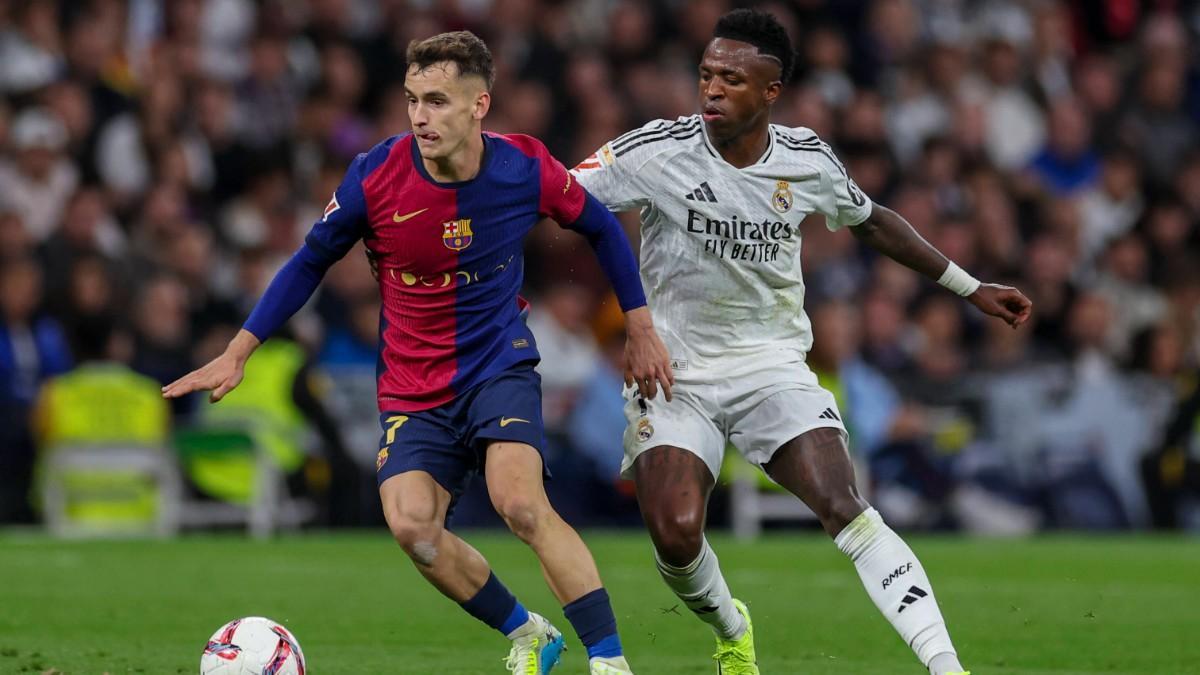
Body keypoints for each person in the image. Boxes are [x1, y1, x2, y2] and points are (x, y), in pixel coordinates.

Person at [164, 31, 672, 675]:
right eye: (411, 100)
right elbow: (309, 260)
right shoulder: (376, 175)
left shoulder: (524, 167)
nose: (420, 117)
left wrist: (640, 325)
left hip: (497, 362)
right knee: (413, 530)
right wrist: (239, 351)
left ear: (479, 105)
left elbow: (599, 226)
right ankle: (530, 633)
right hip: (411, 384)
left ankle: (608, 662)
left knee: (518, 503)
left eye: (436, 101)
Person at [572, 10, 1032, 675]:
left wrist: (968, 285)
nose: (712, 90)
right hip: (675, 368)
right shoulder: (657, 149)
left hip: (771, 364)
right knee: (675, 533)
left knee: (844, 502)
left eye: (732, 78)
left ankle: (945, 666)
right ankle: (733, 625)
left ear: (771, 91)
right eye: (706, 75)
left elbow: (873, 222)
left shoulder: (806, 158)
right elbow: (559, 192)